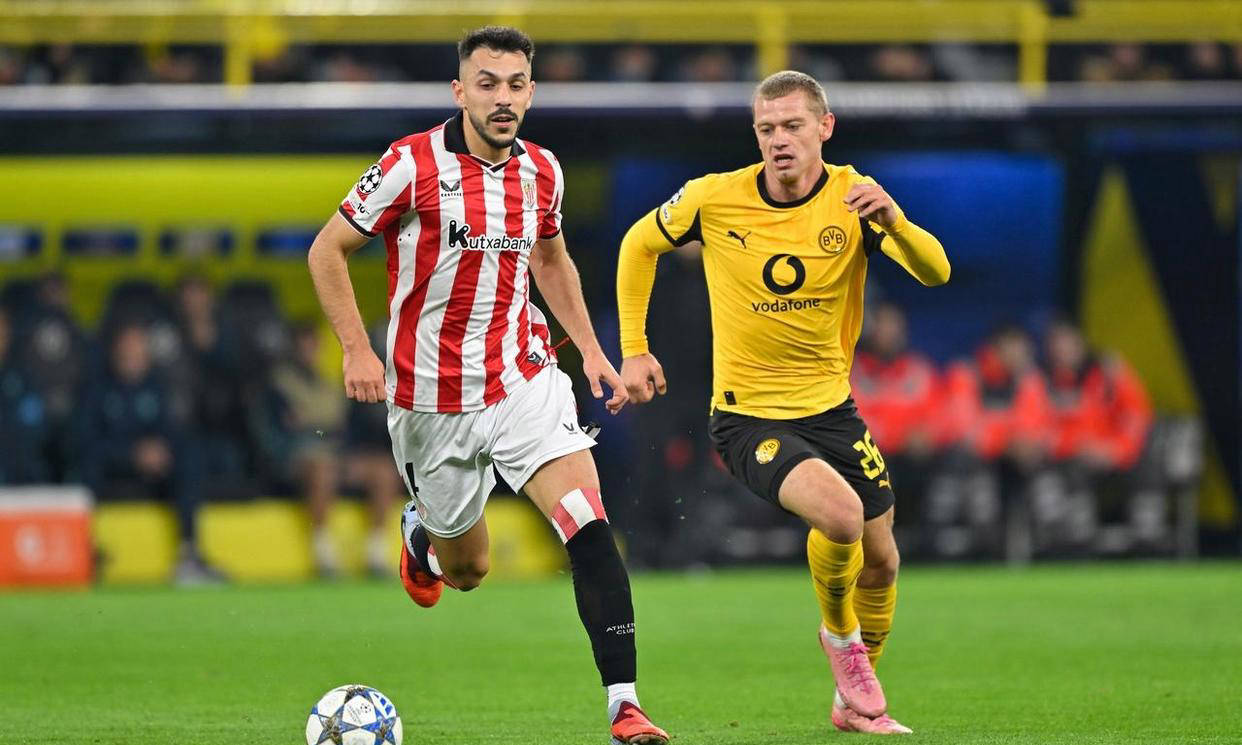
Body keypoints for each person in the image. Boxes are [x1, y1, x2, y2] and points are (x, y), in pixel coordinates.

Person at [305, 26, 668, 745]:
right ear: (460, 91)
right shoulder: (408, 164)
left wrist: (593, 353)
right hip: (430, 401)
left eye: (515, 85)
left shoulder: (543, 171)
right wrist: (356, 350)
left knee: (588, 523)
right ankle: (423, 531)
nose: (502, 98)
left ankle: (625, 705)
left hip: (522, 378)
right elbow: (327, 250)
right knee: (468, 570)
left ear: (530, 92)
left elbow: (551, 261)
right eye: (487, 83)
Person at [617, 71, 950, 735]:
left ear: (824, 128)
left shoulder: (854, 198)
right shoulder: (715, 197)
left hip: (832, 411)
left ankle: (852, 706)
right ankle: (840, 639)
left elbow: (935, 271)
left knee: (883, 561)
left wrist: (897, 221)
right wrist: (634, 348)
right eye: (766, 128)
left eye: (793, 126)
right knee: (842, 517)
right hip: (748, 417)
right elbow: (638, 243)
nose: (779, 140)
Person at [78, 323, 224, 585]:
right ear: (115, 351)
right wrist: (131, 454)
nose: (132, 355)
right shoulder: (98, 389)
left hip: (153, 467)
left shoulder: (156, 388)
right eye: (126, 349)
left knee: (190, 455)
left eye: (138, 350)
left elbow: (171, 430)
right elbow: (86, 441)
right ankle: (85, 549)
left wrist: (159, 451)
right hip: (114, 465)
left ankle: (189, 553)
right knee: (86, 465)